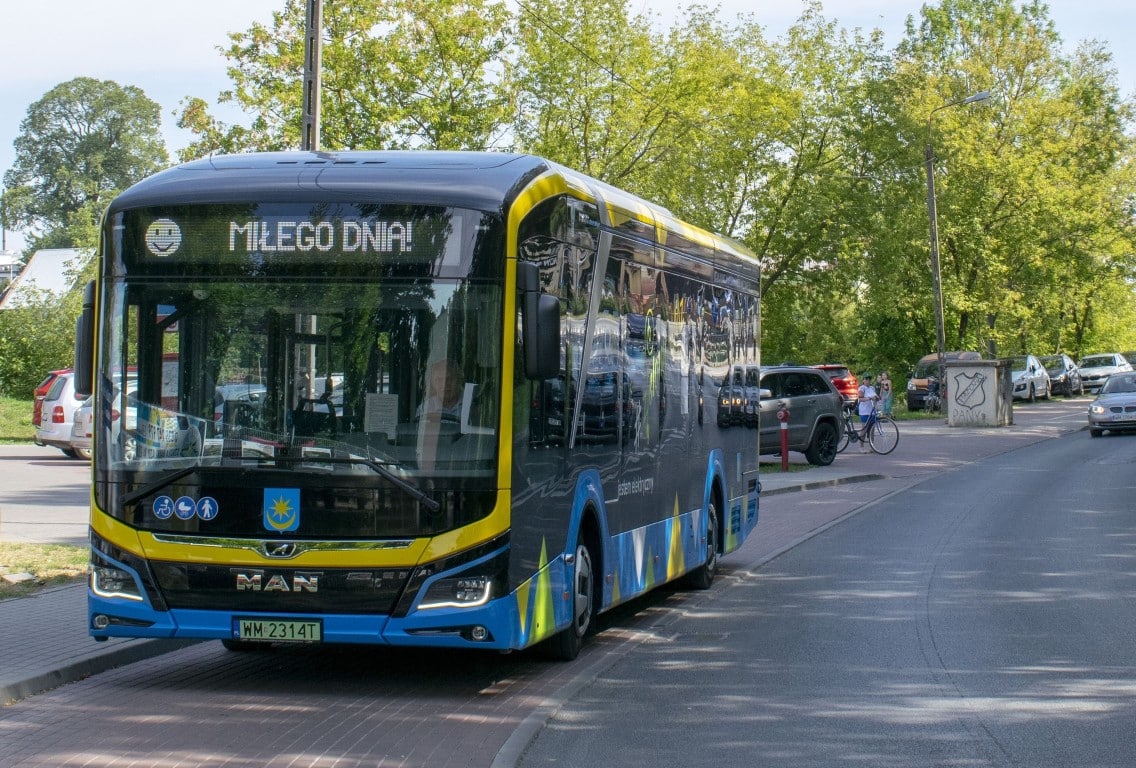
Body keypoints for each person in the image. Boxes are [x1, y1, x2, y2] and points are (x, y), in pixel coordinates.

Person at [856, 373, 879, 452]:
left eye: (869, 379)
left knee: (872, 429)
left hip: (872, 411)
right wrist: (869, 398)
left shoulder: (872, 388)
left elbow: (875, 396)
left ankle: (872, 446)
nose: (868, 380)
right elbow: (860, 399)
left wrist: (877, 397)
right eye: (866, 379)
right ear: (863, 380)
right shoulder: (861, 388)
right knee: (864, 429)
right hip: (864, 411)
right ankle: (861, 447)